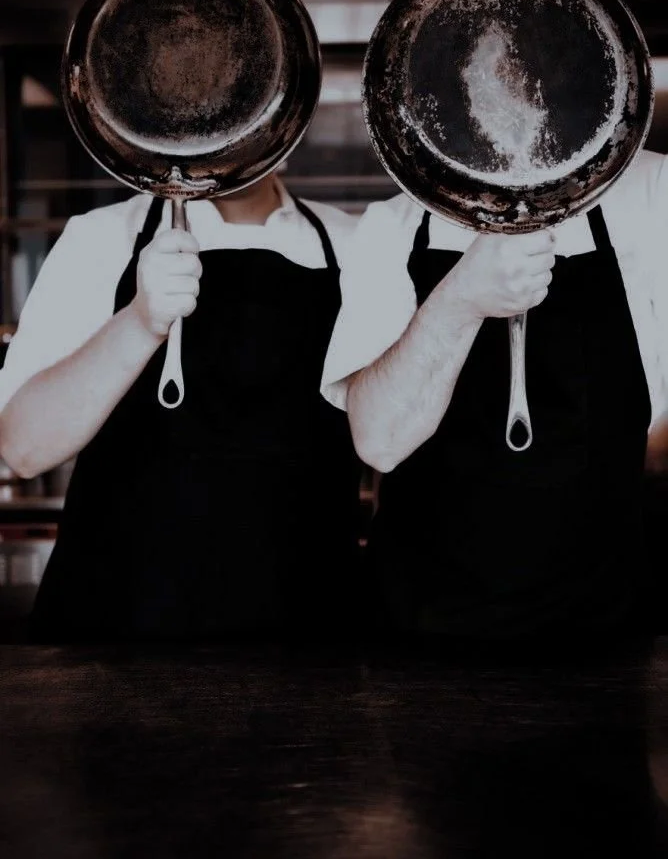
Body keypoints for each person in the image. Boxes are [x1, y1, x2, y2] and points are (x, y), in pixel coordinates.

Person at [0, 165, 364, 642]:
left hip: (309, 637)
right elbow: (22, 447)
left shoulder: (357, 245)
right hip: (115, 634)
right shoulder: (100, 237)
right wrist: (140, 321)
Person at [320, 146, 668, 639]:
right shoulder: (391, 226)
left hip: (605, 633)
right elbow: (379, 441)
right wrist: (459, 298)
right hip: (420, 642)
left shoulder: (653, 192)